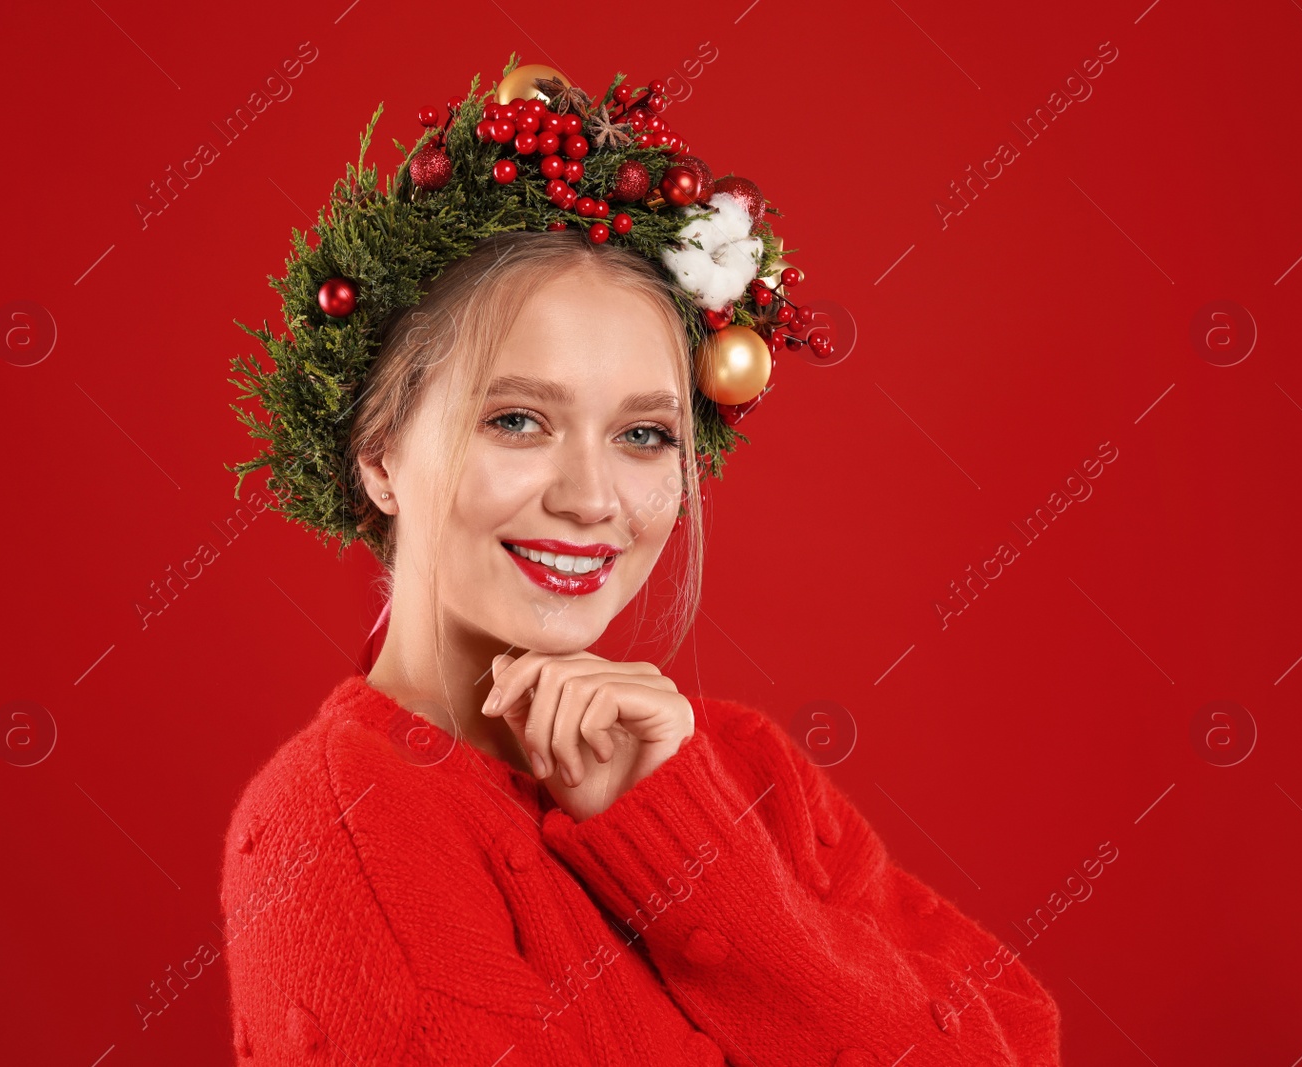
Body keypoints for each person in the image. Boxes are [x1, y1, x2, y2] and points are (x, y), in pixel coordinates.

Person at [220, 60, 1063, 1066]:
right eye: (517, 419)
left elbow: (1007, 1046)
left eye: (644, 434)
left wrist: (688, 849)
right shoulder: (339, 822)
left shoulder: (734, 767)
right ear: (379, 454)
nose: (590, 497)